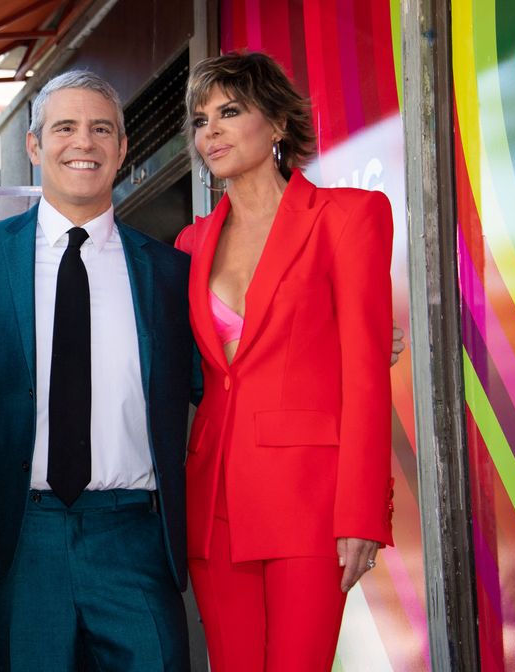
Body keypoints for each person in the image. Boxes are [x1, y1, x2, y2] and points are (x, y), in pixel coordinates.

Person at [0, 71, 194, 671]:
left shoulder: (170, 273)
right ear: (34, 146)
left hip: (133, 538)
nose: (84, 142)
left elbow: (229, 375)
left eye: (101, 129)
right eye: (65, 128)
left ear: (122, 147)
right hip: (19, 540)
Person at [174, 51, 396, 671]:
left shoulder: (348, 218)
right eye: (201, 120)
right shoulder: (190, 243)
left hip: (308, 500)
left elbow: (365, 377)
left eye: (229, 112)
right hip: (214, 502)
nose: (210, 132)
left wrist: (361, 512)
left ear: (276, 123)